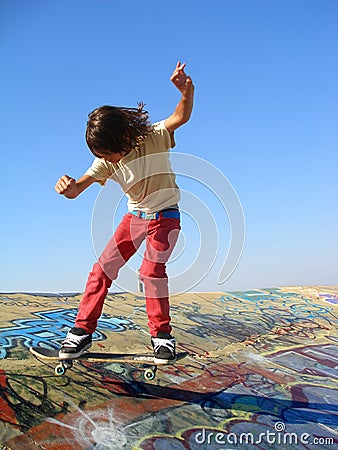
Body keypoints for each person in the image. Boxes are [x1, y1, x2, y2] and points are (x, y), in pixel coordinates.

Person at [55, 62, 194, 364]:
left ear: (124, 140)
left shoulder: (154, 136)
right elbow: (79, 187)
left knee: (151, 272)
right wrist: (68, 187)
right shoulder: (105, 161)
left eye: (109, 153)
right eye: (101, 156)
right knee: (101, 269)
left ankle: (162, 337)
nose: (106, 161)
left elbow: (180, 116)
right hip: (135, 218)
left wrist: (187, 91)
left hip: (166, 216)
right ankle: (81, 332)